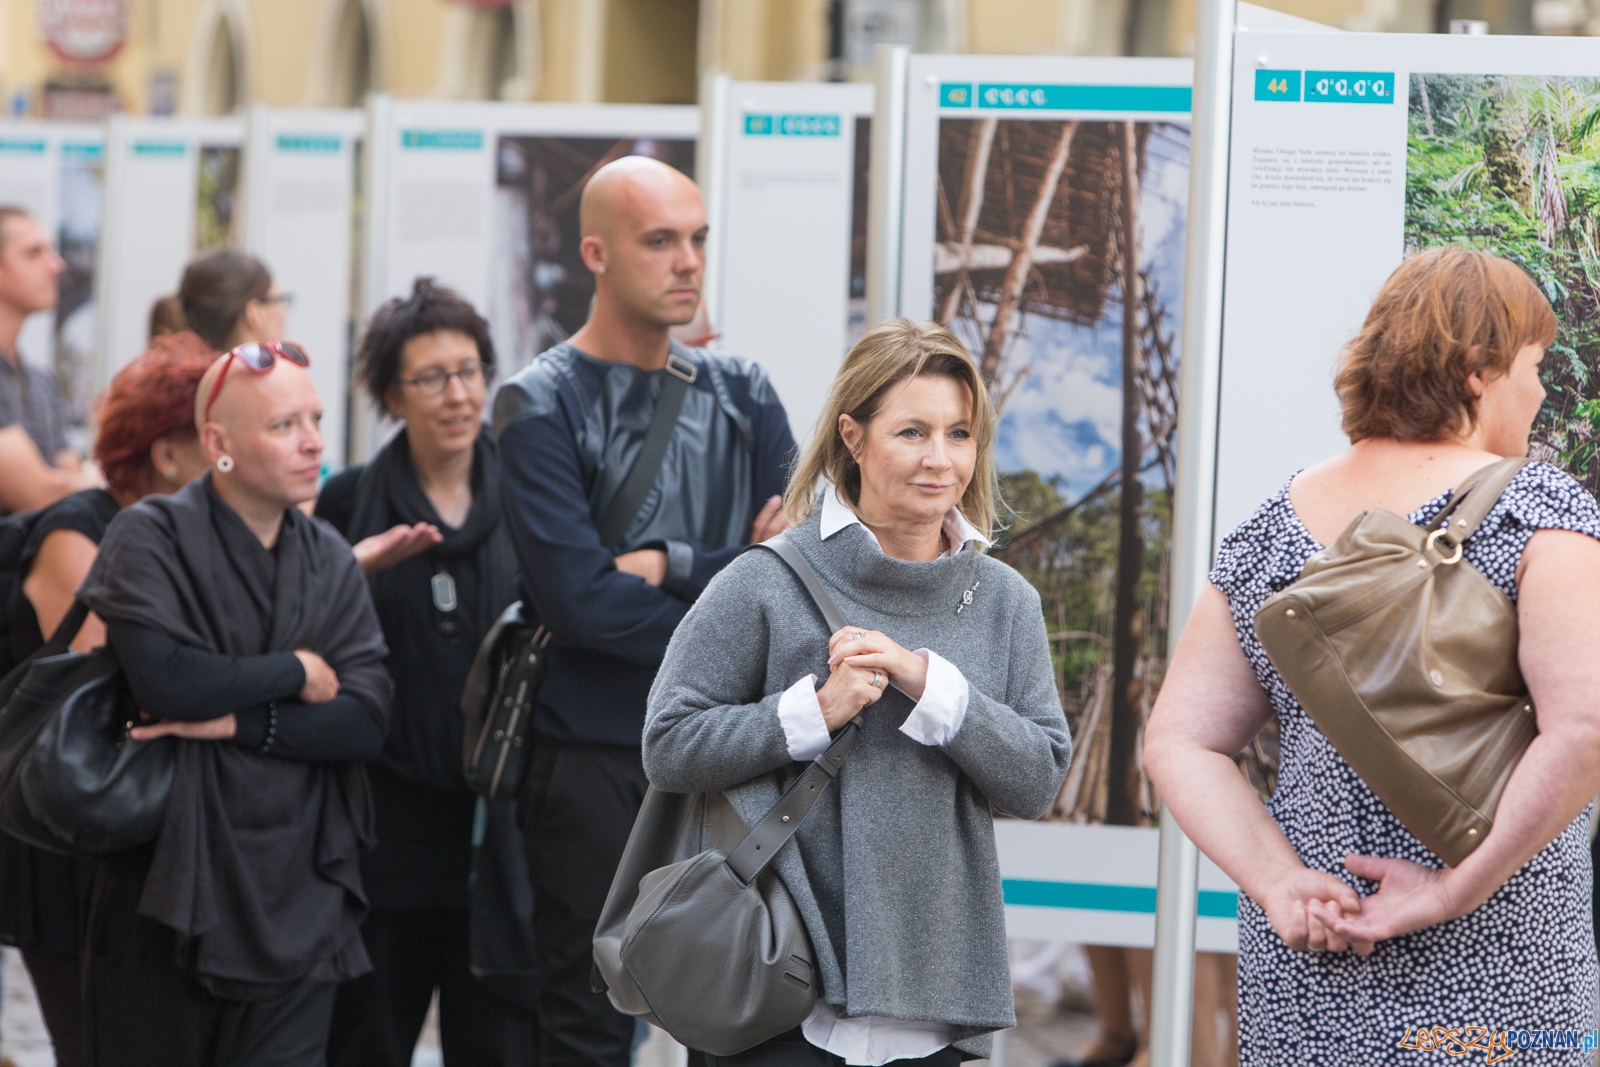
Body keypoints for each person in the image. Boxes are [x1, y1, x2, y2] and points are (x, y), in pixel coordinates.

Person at [1143, 248, 1600, 1065]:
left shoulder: (1266, 534)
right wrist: (1454, 887)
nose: (1538, 390)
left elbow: (1180, 740)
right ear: (1476, 371)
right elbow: (1587, 728)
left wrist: (1280, 881)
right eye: (1533, 366)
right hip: (1502, 950)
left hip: (1317, 950)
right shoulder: (1538, 507)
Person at [643, 318, 1072, 1067]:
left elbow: (1036, 777)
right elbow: (669, 743)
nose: (941, 459)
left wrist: (928, 681)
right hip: (776, 986)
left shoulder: (1007, 601)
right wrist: (813, 711)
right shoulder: (766, 579)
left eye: (960, 433)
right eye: (912, 432)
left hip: (937, 999)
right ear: (853, 435)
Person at [494, 154, 796, 1067]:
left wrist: (675, 560)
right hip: (594, 755)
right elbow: (582, 602)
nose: (688, 261)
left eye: (697, 238)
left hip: (731, 753)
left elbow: (799, 578)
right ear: (595, 252)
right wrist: (738, 586)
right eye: (659, 240)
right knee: (588, 1018)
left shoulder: (743, 389)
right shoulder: (538, 402)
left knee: (749, 1003)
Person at [75, 343, 393, 1066]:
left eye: (315, 418)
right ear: (217, 443)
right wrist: (296, 668)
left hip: (300, 881)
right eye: (285, 424)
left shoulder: (332, 560)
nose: (315, 439)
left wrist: (241, 720)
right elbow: (167, 681)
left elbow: (366, 717)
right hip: (165, 878)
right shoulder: (149, 535)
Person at [317, 278, 539, 1065]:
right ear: (391, 394)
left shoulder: (531, 496)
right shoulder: (347, 504)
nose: (459, 393)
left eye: (472, 369)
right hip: (385, 840)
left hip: (503, 837)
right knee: (365, 1043)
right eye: (432, 377)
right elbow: (300, 640)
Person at [0, 333, 214, 1067]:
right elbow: (116, 687)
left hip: (131, 831)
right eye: (213, 436)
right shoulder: (78, 531)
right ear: (165, 451)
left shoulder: (175, 535)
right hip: (70, 832)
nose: (230, 455)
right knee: (93, 1044)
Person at [0, 205, 99, 512]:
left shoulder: (41, 381)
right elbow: (39, 492)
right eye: (34, 253)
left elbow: (68, 474)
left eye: (52, 251)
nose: (56, 266)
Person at [178, 249, 291, 352]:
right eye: (279, 301)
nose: (284, 316)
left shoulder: (200, 372)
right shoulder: (283, 374)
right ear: (254, 312)